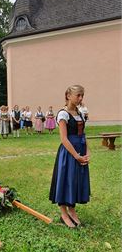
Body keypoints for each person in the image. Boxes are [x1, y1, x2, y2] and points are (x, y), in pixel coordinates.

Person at [49, 84, 90, 228]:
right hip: (68, 153)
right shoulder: (63, 114)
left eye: (82, 95)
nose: (80, 98)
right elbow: (64, 139)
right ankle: (64, 213)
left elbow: (83, 134)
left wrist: (87, 151)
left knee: (75, 181)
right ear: (68, 96)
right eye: (78, 95)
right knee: (66, 180)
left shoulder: (79, 113)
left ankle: (72, 211)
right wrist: (76, 156)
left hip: (80, 149)